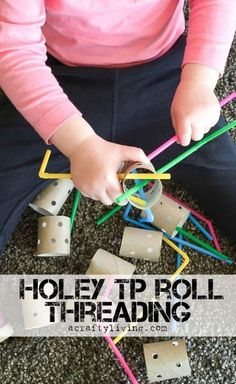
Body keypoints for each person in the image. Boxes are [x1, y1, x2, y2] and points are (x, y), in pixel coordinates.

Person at [0, 1, 235, 255]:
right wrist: (79, 143)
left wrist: (199, 80)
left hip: (171, 80)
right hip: (54, 82)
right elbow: (14, 47)